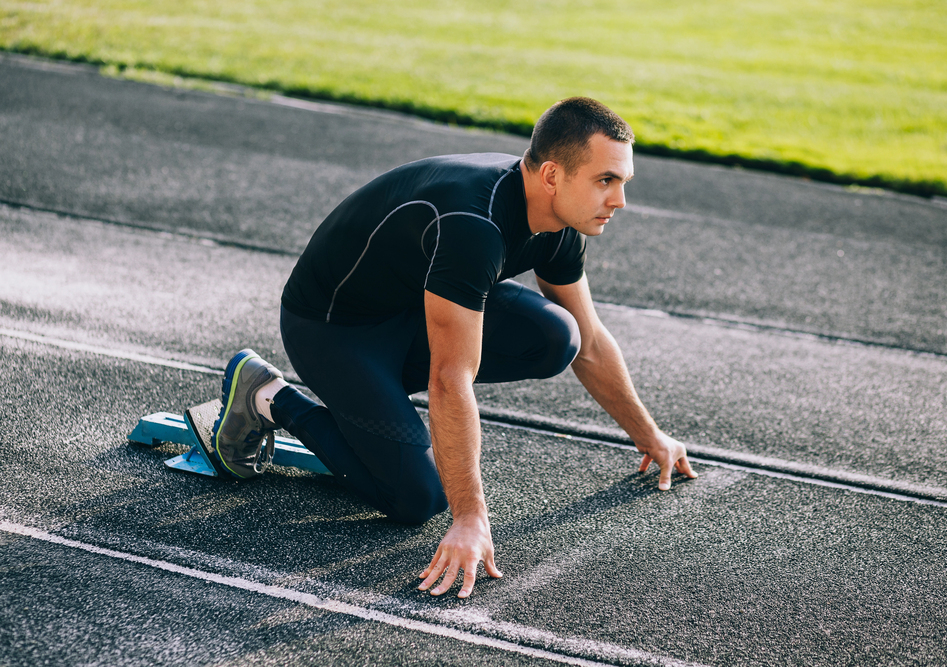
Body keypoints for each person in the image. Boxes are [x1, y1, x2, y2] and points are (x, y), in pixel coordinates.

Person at [209, 97, 698, 599]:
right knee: (416, 497)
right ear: (553, 175)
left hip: (413, 307)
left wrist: (651, 436)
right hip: (335, 328)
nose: (619, 201)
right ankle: (268, 394)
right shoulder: (474, 224)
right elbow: (450, 377)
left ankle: (373, 402)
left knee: (560, 336)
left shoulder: (559, 224)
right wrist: (470, 519)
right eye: (605, 181)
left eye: (623, 182)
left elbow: (590, 342)